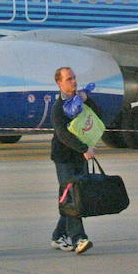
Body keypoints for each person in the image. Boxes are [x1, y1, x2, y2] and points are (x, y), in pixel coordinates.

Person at [49, 67, 99, 255]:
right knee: (72, 197)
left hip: (79, 157)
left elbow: (98, 115)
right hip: (64, 158)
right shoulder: (58, 108)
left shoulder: (79, 101)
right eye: (69, 79)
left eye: (74, 78)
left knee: (75, 198)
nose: (74, 82)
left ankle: (58, 235)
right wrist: (84, 149)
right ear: (59, 83)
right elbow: (63, 135)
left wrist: (88, 99)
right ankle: (79, 238)